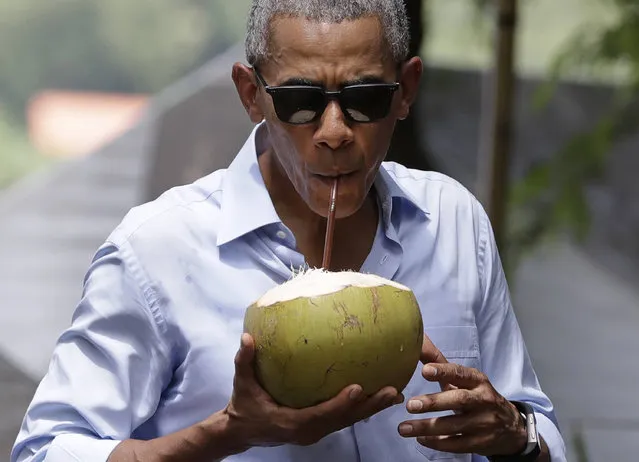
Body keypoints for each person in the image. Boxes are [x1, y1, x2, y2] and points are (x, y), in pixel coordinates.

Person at [11, 1, 567, 461]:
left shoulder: (453, 223)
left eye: (364, 99)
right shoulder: (158, 250)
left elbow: (541, 434)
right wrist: (227, 431)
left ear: (406, 90)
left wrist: (517, 436)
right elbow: (45, 451)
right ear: (251, 94)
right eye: (301, 102)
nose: (333, 133)